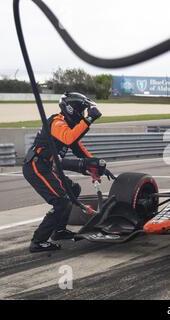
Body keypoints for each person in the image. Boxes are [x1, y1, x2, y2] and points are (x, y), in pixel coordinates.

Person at [23, 92, 105, 253]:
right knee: (61, 201)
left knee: (73, 189)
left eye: (84, 113)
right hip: (36, 166)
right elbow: (68, 138)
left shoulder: (68, 126)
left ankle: (59, 231)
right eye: (81, 111)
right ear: (71, 109)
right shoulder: (57, 122)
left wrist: (95, 164)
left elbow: (78, 148)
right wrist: (88, 120)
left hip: (47, 167)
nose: (82, 115)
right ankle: (38, 241)